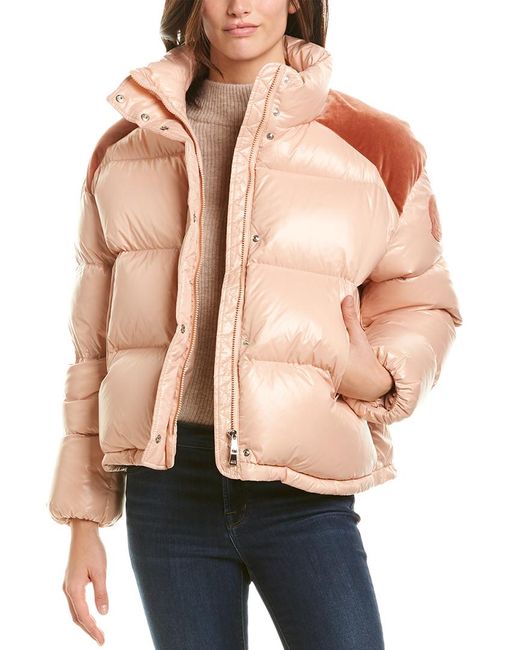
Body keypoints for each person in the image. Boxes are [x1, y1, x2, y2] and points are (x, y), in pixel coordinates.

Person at [47, 1, 463, 648]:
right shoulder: (128, 147)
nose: (239, 5)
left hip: (301, 492)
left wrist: (371, 373)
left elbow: (423, 300)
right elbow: (94, 345)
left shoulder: (375, 145)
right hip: (168, 493)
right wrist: (84, 522)